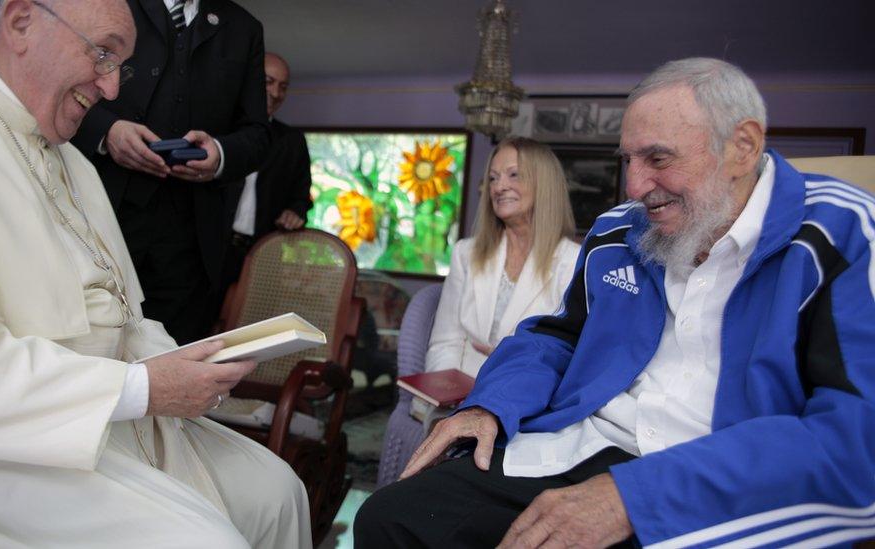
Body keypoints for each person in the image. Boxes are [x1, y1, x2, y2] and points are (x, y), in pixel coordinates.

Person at [355, 57, 875, 548]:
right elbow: (557, 337)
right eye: (627, 159)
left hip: (722, 483)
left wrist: (634, 498)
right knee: (389, 518)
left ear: (741, 147)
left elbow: (855, 437)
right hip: (583, 445)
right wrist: (493, 404)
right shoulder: (616, 232)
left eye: (658, 158)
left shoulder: (845, 233)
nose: (634, 186)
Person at [0, 1, 309, 547]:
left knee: (280, 492)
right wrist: (142, 387)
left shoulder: (75, 163)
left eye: (122, 64)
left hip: (119, 418)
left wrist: (189, 365)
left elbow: (124, 315)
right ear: (22, 22)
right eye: (103, 54)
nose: (113, 90)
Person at [72, 0, 269, 344]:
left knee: (173, 352)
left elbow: (258, 134)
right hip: (99, 217)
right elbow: (59, 86)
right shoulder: (105, 5)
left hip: (191, 237)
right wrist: (109, 131)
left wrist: (220, 153)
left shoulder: (244, 28)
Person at [426, 137, 580, 380]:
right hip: (455, 395)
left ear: (544, 183)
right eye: (493, 178)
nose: (499, 187)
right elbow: (445, 343)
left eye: (514, 175)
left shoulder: (574, 263)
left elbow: (568, 359)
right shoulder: (465, 254)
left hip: (524, 402)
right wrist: (450, 396)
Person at [222, 51, 313, 297]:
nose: (276, 93)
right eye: (268, 82)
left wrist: (295, 212)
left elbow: (301, 196)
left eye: (283, 86)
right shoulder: (218, 128)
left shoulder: (292, 141)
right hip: (207, 250)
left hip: (262, 255)